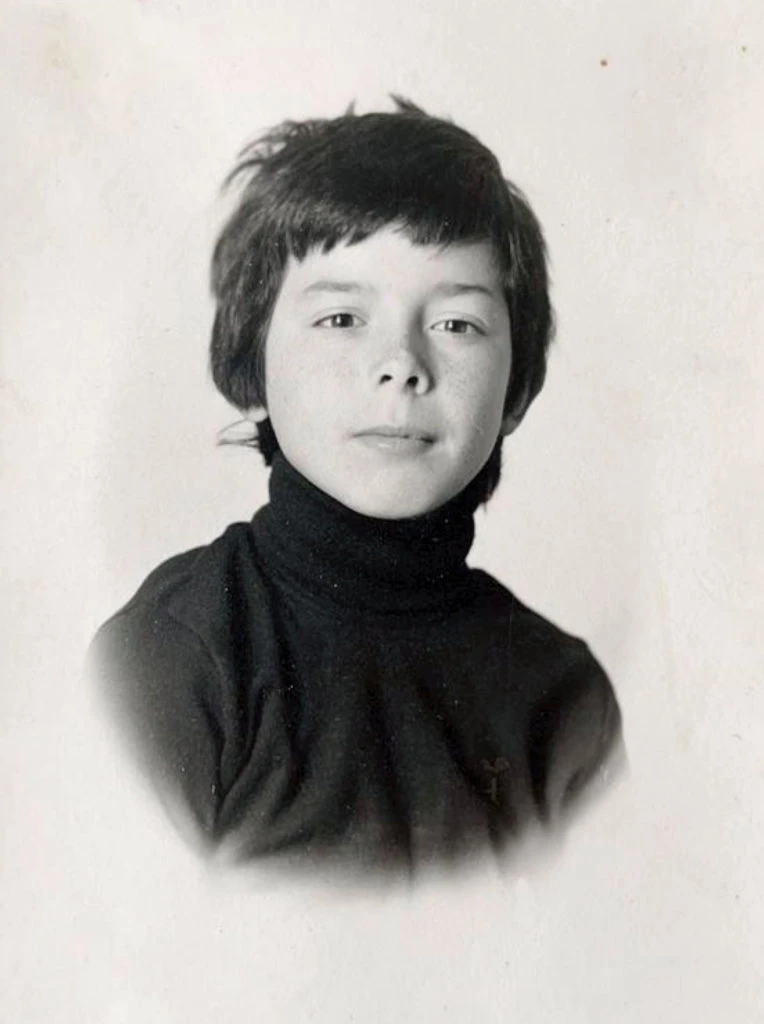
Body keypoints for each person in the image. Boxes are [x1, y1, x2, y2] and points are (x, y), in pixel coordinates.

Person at [90, 98, 622, 875]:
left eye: (456, 324)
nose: (401, 364)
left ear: (515, 392)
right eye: (342, 318)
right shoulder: (172, 658)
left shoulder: (563, 698)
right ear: (253, 367)